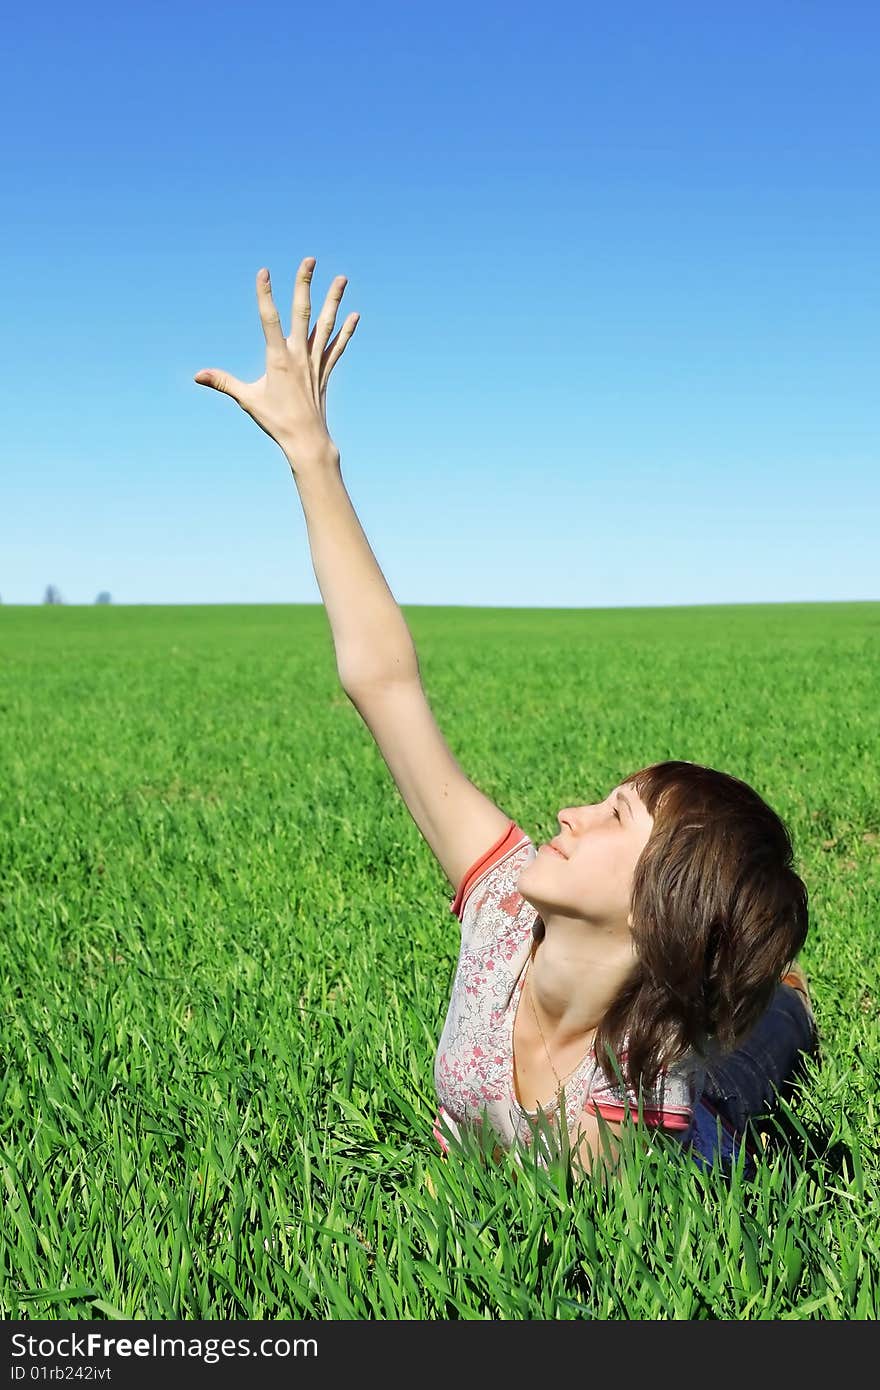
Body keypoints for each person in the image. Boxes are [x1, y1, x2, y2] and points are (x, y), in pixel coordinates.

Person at [194, 256, 820, 1181]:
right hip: (674, 988)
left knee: (750, 1066)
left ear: (661, 910)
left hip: (696, 1085)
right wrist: (311, 454)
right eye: (601, 800)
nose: (571, 813)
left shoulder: (635, 1125)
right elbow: (386, 687)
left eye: (616, 819)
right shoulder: (502, 907)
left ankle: (788, 1010)